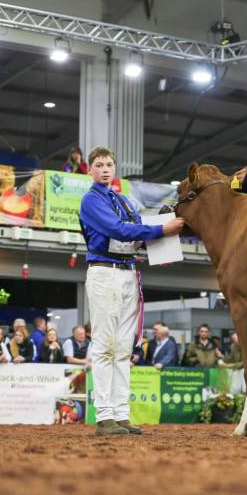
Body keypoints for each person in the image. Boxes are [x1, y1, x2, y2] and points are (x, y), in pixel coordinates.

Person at [79, 145, 185, 436]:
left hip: (127, 272)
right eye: (99, 164)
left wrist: (161, 222)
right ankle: (104, 417)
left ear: (115, 169)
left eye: (109, 164)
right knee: (105, 346)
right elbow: (118, 230)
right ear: (90, 170)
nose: (104, 169)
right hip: (104, 272)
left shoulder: (124, 201)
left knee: (123, 348)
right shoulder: (91, 200)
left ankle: (121, 415)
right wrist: (162, 230)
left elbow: (137, 227)